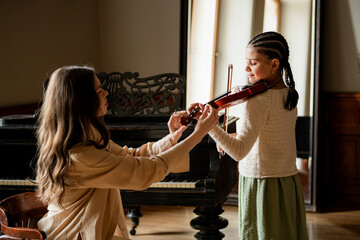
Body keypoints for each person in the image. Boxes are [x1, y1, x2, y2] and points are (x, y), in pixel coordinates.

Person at [35, 65, 219, 240]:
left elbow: (132, 156)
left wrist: (173, 136)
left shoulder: (87, 139)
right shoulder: (81, 155)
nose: (106, 93)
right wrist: (198, 134)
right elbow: (141, 172)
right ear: (82, 102)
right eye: (99, 91)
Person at [188, 31, 308, 239]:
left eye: (253, 62)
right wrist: (231, 138)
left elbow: (239, 152)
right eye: (247, 62)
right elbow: (269, 136)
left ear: (274, 64)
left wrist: (209, 126)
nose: (246, 68)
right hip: (287, 181)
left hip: (262, 183)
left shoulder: (258, 101)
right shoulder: (289, 94)